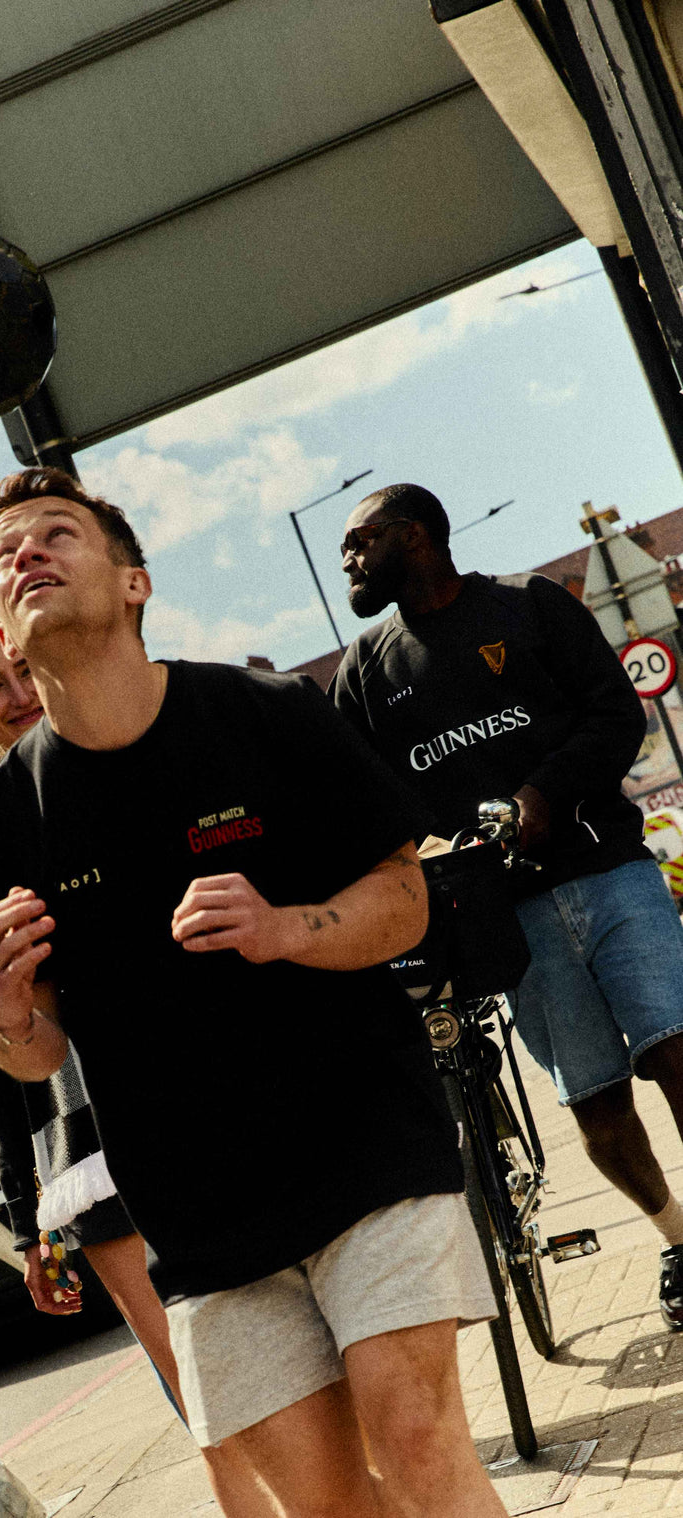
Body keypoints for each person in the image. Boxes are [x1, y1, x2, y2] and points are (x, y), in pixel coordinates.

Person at [0, 467, 503, 1518]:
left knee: (418, 1443)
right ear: (5, 639)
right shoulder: (0, 828)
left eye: (57, 534)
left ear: (133, 585)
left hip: (365, 1147)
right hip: (200, 1221)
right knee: (329, 1508)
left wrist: (285, 927)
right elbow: (31, 1052)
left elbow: (405, 897)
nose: (26, 554)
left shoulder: (263, 715)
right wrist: (7, 1009)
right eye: (3, 556)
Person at [0, 624, 282, 1517]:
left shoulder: (119, 768)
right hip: (81, 1132)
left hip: (206, 1099)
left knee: (271, 1344)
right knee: (196, 1378)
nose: (15, 696)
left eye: (19, 673)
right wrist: (22, 1215)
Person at [332, 480, 683, 1330]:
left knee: (678, 1048)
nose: (349, 558)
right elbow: (359, 804)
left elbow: (613, 717)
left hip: (610, 871)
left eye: (361, 540)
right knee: (597, 1106)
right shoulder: (365, 675)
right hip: (504, 922)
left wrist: (542, 794)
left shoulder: (530, 608)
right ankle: (676, 1238)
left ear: (414, 537)